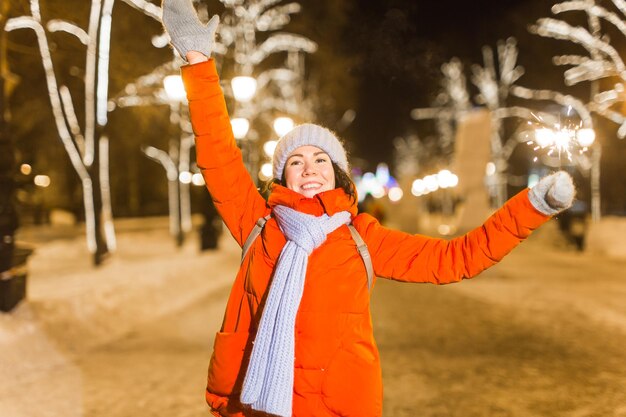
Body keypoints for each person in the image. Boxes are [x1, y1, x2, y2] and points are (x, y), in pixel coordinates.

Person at [161, 1, 575, 416]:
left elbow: (457, 259)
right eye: (297, 161)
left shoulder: (362, 237)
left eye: (321, 160)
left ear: (338, 174)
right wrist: (199, 62)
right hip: (255, 404)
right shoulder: (258, 224)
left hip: (336, 406)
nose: (309, 169)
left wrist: (532, 206)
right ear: (282, 176)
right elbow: (218, 154)